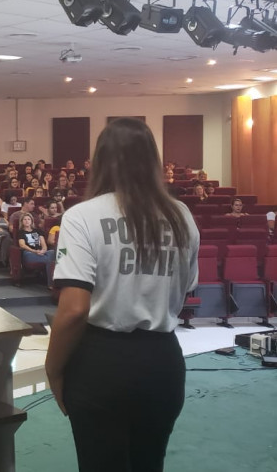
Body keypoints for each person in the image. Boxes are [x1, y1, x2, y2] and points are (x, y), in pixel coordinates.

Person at [46, 118, 198, 472]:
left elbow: (74, 310)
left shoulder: (82, 216)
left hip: (102, 362)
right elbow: (187, 286)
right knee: (150, 463)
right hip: (163, 360)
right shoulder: (181, 216)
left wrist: (53, 369)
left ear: (101, 160)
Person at [16, 212, 54, 285]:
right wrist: (34, 251)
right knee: (50, 261)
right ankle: (51, 284)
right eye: (25, 219)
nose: (27, 221)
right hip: (29, 253)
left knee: (52, 252)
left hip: (40, 252)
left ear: (32, 221)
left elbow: (44, 244)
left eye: (28, 219)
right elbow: (22, 245)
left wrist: (43, 251)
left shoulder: (37, 231)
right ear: (22, 222)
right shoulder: (21, 232)